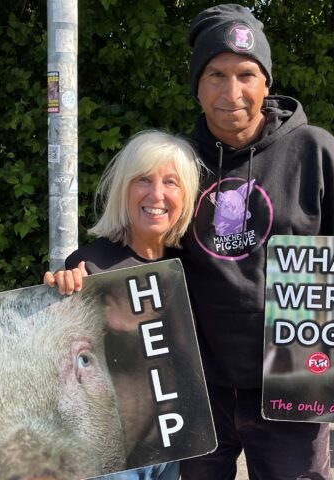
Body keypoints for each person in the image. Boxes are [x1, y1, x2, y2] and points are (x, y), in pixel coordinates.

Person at [178, 5, 334, 479]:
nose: (231, 92)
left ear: (266, 83)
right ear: (197, 87)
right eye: (215, 75)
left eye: (246, 74)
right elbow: (135, 248)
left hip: (295, 385)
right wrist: (85, 269)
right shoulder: (177, 161)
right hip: (199, 388)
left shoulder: (314, 151)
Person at [44, 129, 203, 480]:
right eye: (143, 180)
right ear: (124, 189)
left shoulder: (195, 266)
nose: (157, 194)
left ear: (187, 195)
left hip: (179, 447)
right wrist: (55, 299)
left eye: (172, 182)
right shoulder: (90, 264)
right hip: (114, 459)